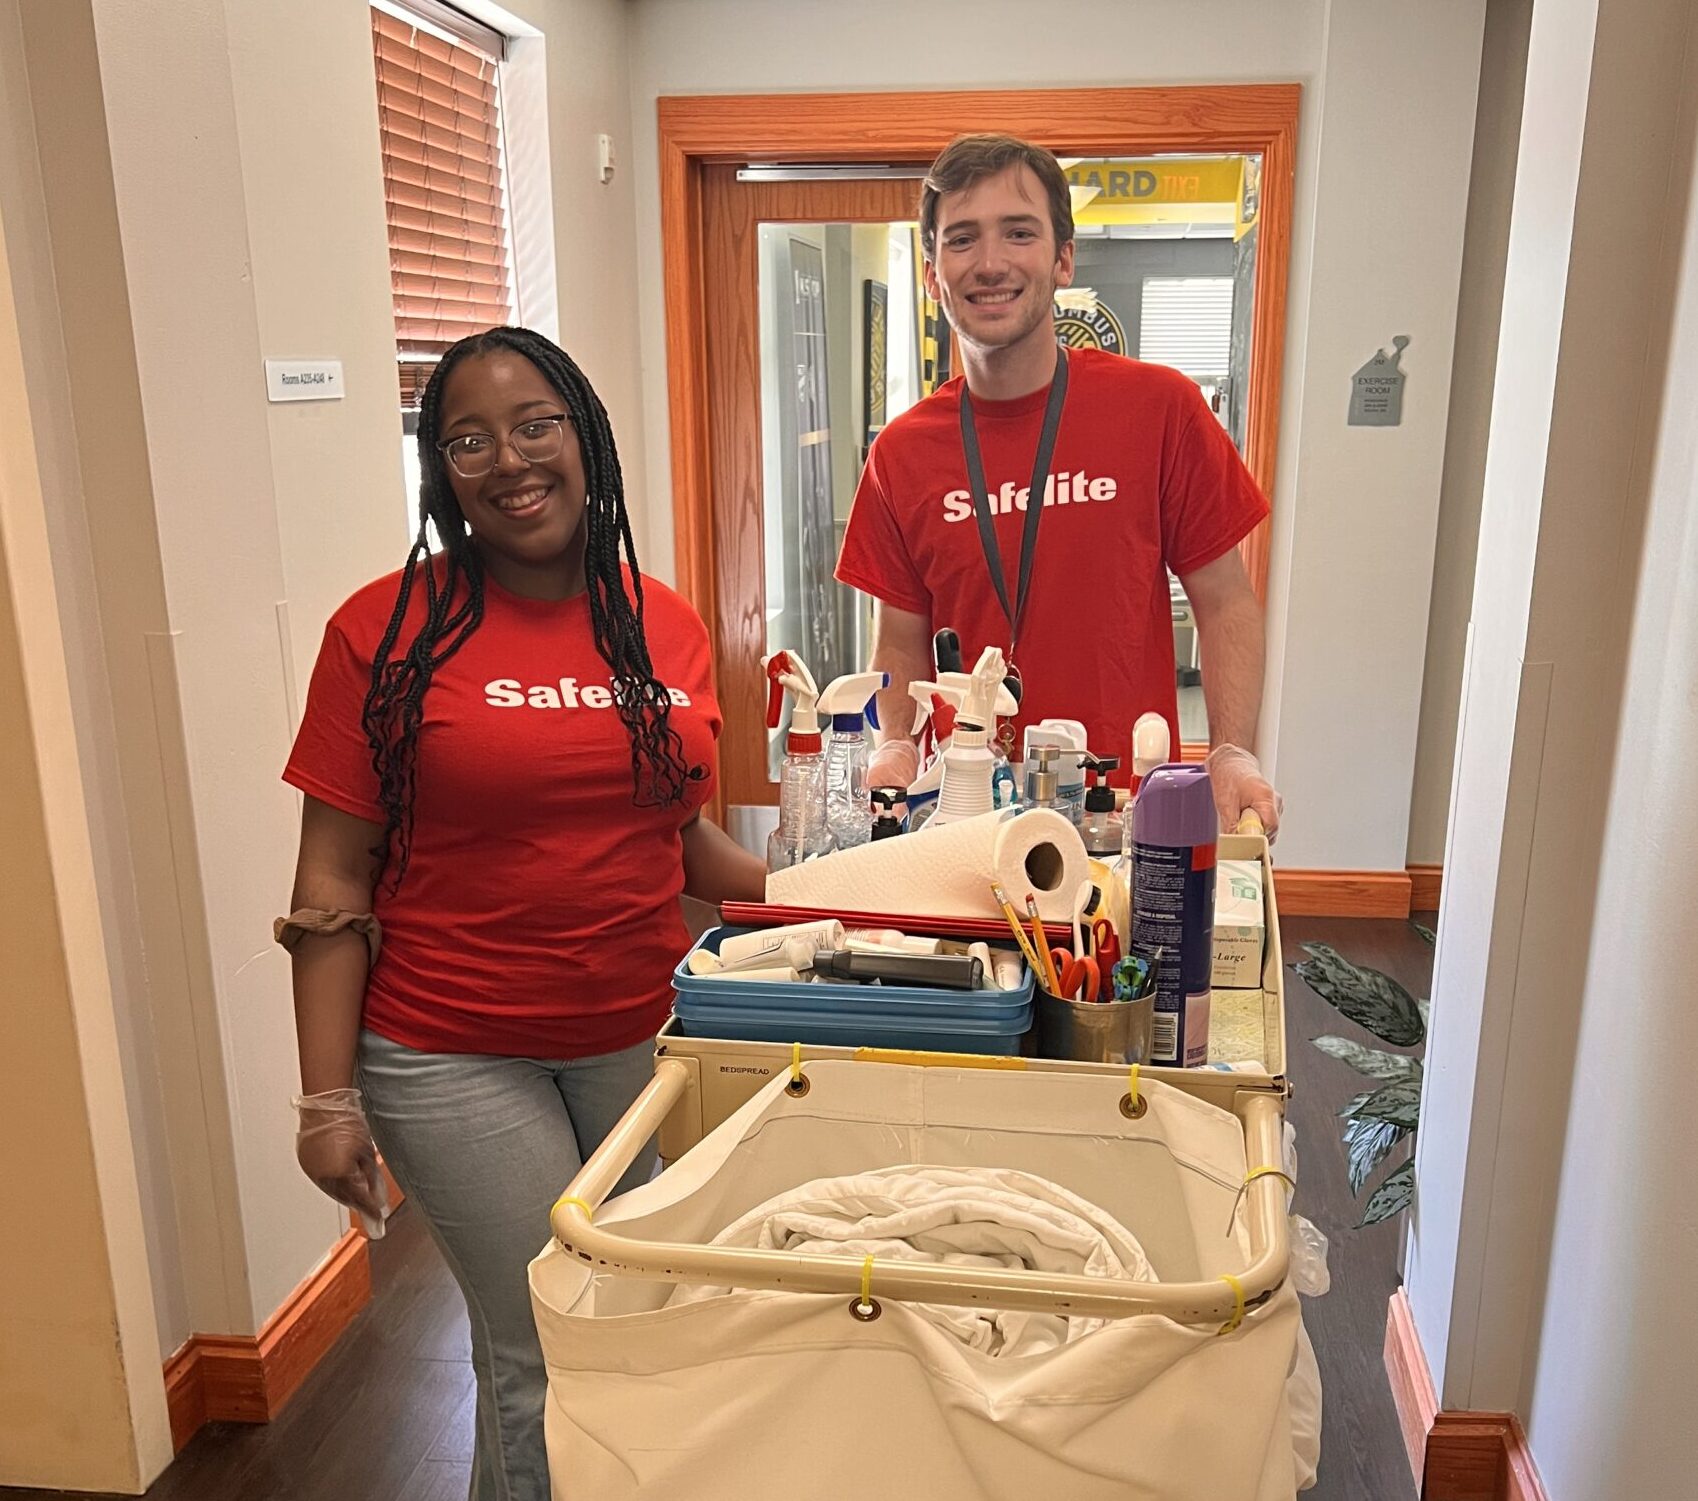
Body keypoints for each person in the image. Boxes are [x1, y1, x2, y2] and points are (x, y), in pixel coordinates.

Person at [277, 326, 766, 1501]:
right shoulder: (382, 634)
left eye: (536, 423)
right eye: (468, 439)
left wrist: (837, 888)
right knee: (542, 1340)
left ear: (586, 437)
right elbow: (333, 881)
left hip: (642, 1040)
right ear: (442, 472)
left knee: (639, 1325)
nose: (509, 458)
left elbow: (674, 834)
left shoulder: (663, 617)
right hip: (451, 1050)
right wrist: (324, 1097)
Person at [836, 134, 1282, 835]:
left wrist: (1229, 749)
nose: (990, 263)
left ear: (1063, 258)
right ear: (931, 273)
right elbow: (898, 639)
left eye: (1019, 233)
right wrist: (896, 740)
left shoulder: (1160, 410)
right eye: (961, 239)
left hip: (1125, 811)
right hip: (965, 812)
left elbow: (1225, 601)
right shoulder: (900, 453)